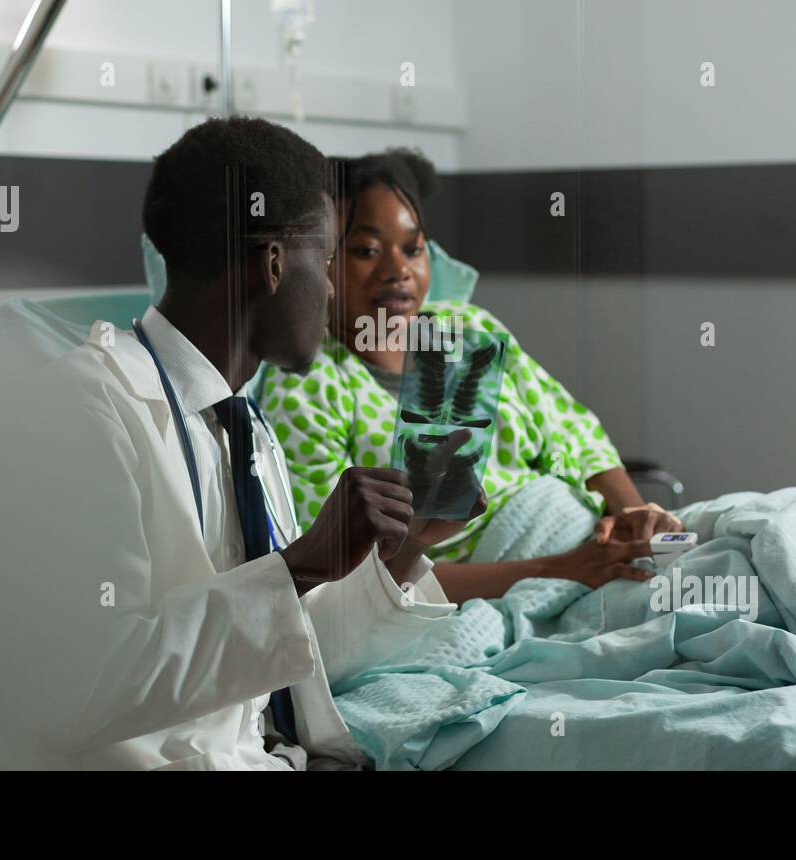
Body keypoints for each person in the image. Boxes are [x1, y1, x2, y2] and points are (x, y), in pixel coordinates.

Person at [0, 119, 477, 770]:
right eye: (327, 260)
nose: (331, 292)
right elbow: (74, 686)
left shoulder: (241, 427)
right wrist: (299, 565)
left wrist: (406, 546)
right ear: (272, 263)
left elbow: (287, 648)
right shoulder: (84, 413)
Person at [259, 149, 684, 604]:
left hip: (593, 538)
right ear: (319, 261)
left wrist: (637, 515)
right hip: (505, 586)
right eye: (366, 250)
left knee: (736, 543)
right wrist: (556, 571)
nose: (397, 271)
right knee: (698, 609)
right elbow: (349, 579)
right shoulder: (306, 388)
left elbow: (573, 434)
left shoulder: (464, 331)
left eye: (413, 249)